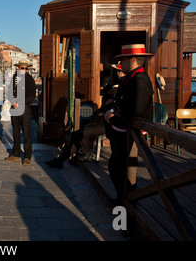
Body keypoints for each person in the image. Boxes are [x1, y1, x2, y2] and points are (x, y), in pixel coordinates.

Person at [46, 63, 126, 169]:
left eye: (120, 71)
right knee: (75, 135)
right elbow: (103, 109)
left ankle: (86, 152)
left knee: (84, 133)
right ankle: (60, 160)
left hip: (109, 124)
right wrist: (103, 110)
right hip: (99, 121)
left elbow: (123, 107)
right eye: (117, 71)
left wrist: (112, 106)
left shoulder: (124, 86)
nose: (118, 73)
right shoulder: (111, 89)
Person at [104, 44, 153, 204]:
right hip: (122, 131)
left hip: (129, 132)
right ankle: (123, 198)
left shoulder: (140, 80)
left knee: (121, 168)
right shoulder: (131, 78)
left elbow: (136, 110)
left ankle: (127, 201)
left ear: (132, 60)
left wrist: (114, 115)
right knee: (117, 167)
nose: (120, 64)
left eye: (122, 60)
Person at [5, 60, 37, 166]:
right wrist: (12, 101)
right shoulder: (14, 78)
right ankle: (16, 154)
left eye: (25, 68)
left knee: (27, 132)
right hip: (14, 108)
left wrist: (20, 103)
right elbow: (10, 91)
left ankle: (27, 156)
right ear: (18, 68)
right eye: (22, 68)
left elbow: (32, 95)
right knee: (15, 131)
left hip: (25, 109)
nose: (24, 70)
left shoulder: (29, 79)